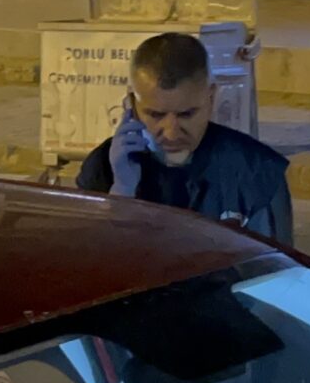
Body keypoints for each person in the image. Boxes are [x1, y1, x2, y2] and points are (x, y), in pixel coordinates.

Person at [77, 32, 294, 244]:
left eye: (187, 114)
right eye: (155, 115)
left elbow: (279, 269)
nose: (171, 133)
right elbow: (87, 264)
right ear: (131, 104)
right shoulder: (103, 168)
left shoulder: (254, 171)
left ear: (211, 97)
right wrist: (122, 191)